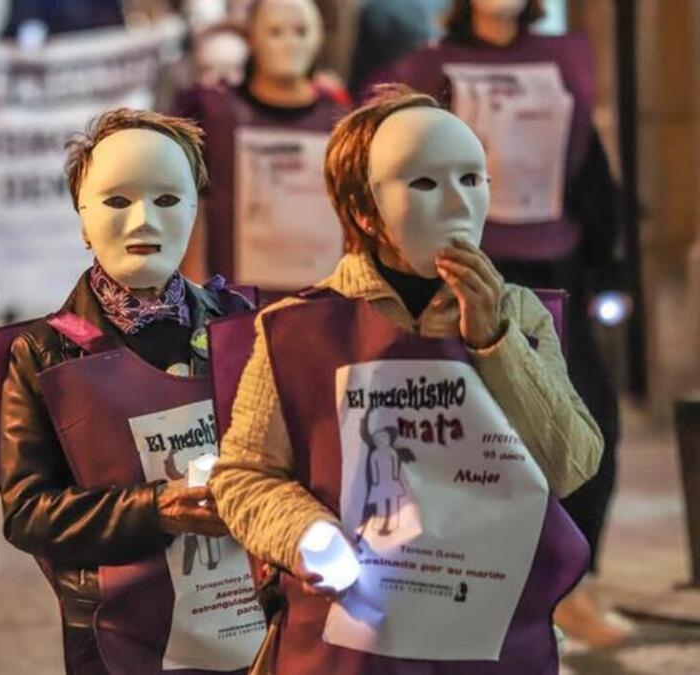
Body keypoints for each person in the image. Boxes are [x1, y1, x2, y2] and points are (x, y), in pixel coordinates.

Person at [209, 86, 602, 672]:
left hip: (489, 636)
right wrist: (310, 537)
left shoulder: (518, 314)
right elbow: (243, 475)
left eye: (473, 180)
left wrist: (494, 341)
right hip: (352, 640)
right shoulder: (294, 329)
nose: (456, 205)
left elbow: (572, 463)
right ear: (365, 209)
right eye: (423, 184)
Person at [375, 0, 628, 645]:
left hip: (555, 264)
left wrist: (608, 258)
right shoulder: (426, 67)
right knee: (468, 435)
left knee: (583, 420)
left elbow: (590, 166)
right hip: (459, 265)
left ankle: (574, 583)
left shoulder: (566, 57)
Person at [0, 108, 261, 674]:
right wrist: (157, 508)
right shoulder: (42, 354)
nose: (143, 223)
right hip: (118, 638)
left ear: (194, 210)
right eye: (117, 201)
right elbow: (31, 513)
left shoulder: (240, 325)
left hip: (242, 624)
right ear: (83, 222)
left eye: (166, 200)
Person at [174, 0, 350, 296]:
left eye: (300, 31)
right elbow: (194, 211)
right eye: (275, 31)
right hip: (235, 308)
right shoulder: (213, 114)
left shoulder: (341, 123)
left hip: (320, 307)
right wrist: (198, 301)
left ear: (319, 36)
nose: (288, 44)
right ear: (251, 37)